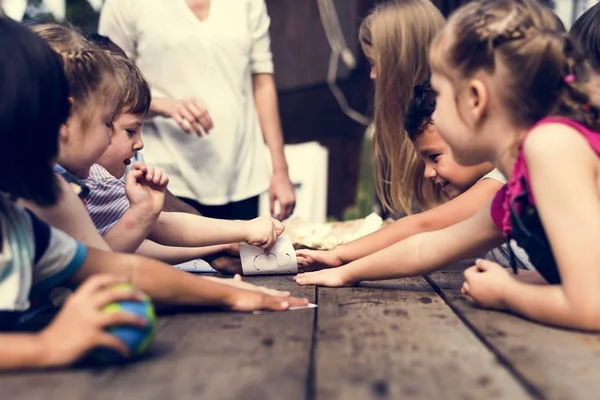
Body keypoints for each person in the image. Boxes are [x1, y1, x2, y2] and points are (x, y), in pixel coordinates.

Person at [0, 17, 307, 370]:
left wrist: (230, 293)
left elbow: (118, 270)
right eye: (107, 122)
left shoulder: (21, 225)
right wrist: (45, 347)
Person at [297, 0, 600, 332]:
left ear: (475, 99)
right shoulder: (521, 179)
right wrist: (345, 269)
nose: (434, 114)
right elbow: (432, 245)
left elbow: (591, 306)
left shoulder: (552, 145)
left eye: (439, 95)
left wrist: (507, 292)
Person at [296, 76, 532, 271]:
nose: (428, 172)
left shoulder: (501, 182)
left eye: (435, 157)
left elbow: (422, 226)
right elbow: (422, 242)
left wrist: (340, 257)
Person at [99, 0, 296, 221]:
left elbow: (262, 79)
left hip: (241, 173)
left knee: (240, 253)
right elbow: (110, 87)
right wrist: (163, 105)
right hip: (166, 173)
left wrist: (280, 170)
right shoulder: (123, 5)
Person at [359, 0, 445, 217]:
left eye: (375, 63)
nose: (373, 75)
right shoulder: (388, 130)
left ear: (401, 64)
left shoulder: (445, 126)